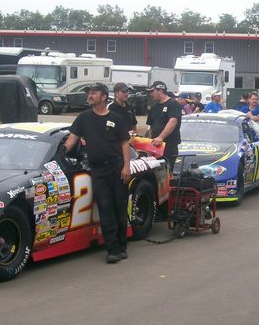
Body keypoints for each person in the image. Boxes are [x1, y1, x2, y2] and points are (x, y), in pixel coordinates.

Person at [64, 83, 131, 263]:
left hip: (116, 167)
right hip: (98, 169)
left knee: (119, 207)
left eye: (94, 93)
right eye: (89, 93)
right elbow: (71, 141)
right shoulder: (83, 118)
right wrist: (58, 155)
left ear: (104, 97)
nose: (90, 96)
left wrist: (126, 167)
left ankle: (122, 245)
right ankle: (113, 250)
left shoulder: (116, 118)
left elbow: (125, 143)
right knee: (105, 207)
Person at [146, 80, 182, 169]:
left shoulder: (173, 104)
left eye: (152, 91)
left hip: (169, 146)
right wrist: (148, 144)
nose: (151, 94)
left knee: (167, 171)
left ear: (160, 90)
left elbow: (173, 122)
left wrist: (161, 137)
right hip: (155, 148)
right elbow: (150, 127)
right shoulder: (154, 107)